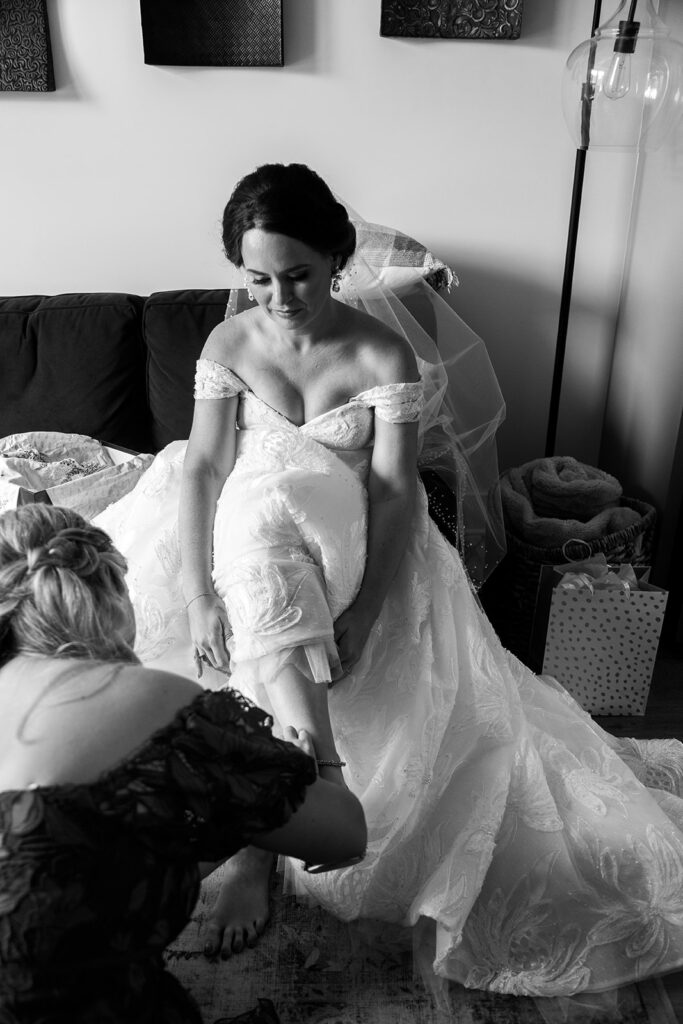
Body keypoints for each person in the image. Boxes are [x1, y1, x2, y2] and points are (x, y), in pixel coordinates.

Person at [96, 163, 683, 1003]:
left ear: (337, 259)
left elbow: (392, 488)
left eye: (297, 274)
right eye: (257, 278)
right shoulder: (230, 344)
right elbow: (202, 471)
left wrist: (371, 609)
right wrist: (195, 595)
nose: (278, 296)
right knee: (257, 503)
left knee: (279, 499)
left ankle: (264, 838)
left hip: (346, 531)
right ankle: (318, 775)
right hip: (243, 538)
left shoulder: (380, 350)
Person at [0, 503, 366, 1024]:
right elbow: (347, 836)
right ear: (111, 599)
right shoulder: (140, 700)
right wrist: (309, 764)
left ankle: (248, 832)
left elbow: (69, 857)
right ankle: (255, 826)